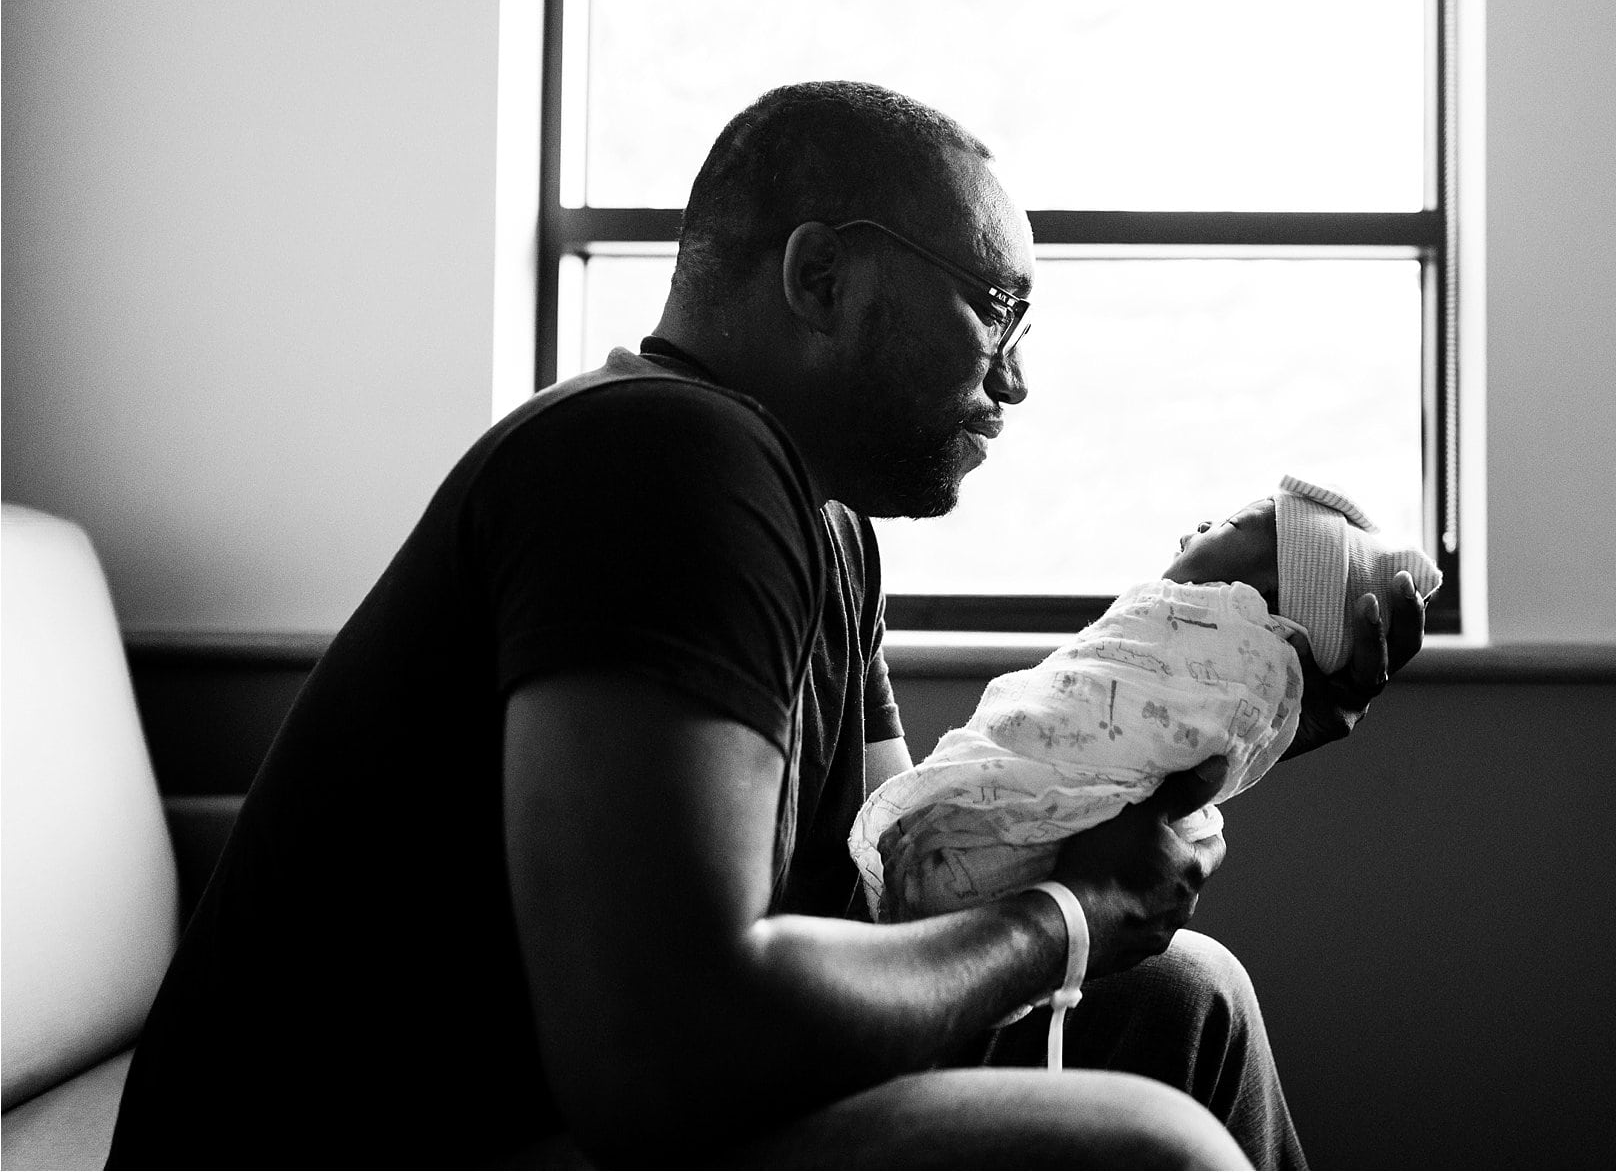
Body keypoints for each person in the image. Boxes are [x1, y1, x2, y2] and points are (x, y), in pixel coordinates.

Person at [108, 81, 1423, 1170]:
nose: (1019, 377)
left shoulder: (822, 524)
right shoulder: (664, 462)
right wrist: (1074, 914)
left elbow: (897, 890)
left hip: (573, 1110)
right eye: (997, 306)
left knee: (1188, 998)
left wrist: (1220, 723)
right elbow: (655, 1054)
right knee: (1147, 1146)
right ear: (822, 275)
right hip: (404, 1145)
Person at [853, 480, 1442, 926]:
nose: (1199, 528)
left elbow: (1135, 741)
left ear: (1251, 599)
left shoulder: (1212, 636)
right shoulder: (1165, 633)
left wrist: (1265, 730)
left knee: (1204, 983)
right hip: (925, 900)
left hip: (975, 866)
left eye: (1227, 526)